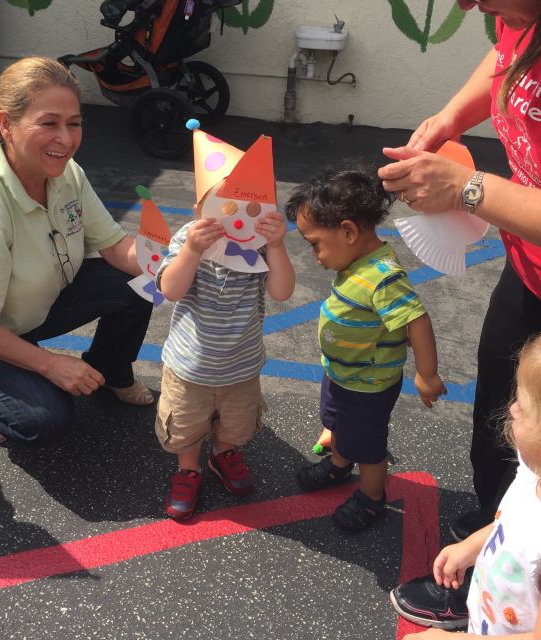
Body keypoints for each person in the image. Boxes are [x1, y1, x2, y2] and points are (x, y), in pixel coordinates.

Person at [378, 0, 541, 625]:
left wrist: (470, 189)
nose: (469, 4)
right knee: (505, 412)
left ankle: (506, 594)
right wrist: (448, 118)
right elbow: (505, 58)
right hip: (529, 268)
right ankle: (491, 535)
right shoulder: (519, 14)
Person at [0, 56, 154, 447]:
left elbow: (116, 246)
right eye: (49, 123)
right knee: (44, 419)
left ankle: (110, 369)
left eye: (74, 123)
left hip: (32, 305)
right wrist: (51, 364)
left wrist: (178, 262)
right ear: (6, 124)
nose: (66, 139)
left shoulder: (66, 173)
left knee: (142, 281)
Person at [285, 165, 446, 531]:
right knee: (338, 423)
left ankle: (372, 497)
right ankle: (340, 466)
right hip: (343, 374)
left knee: (368, 446)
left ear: (348, 231)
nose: (314, 255)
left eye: (314, 244)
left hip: (368, 386)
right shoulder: (357, 263)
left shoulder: (383, 276)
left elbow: (416, 319)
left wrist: (427, 374)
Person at [154, 199, 295, 520]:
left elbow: (282, 291)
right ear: (199, 207)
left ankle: (222, 453)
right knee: (186, 426)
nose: (236, 215)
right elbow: (171, 290)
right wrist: (192, 250)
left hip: (241, 367)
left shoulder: (258, 243)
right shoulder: (189, 237)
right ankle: (189, 469)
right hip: (189, 368)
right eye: (224, 205)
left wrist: (276, 245)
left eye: (251, 206)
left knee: (235, 422)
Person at [393, 334, 541, 639]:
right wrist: (472, 547)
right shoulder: (532, 473)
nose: (512, 408)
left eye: (524, 407)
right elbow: (513, 522)